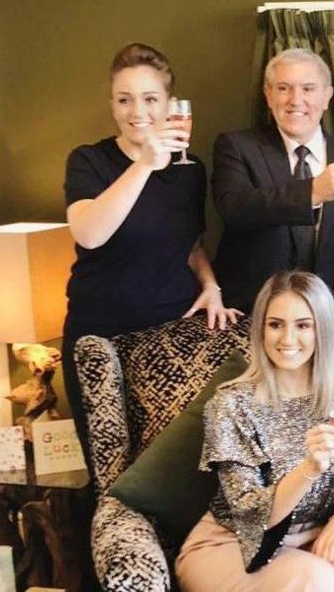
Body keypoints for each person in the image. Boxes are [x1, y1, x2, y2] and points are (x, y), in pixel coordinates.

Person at [176, 271, 334, 592]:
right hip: (233, 541)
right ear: (260, 329)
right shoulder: (231, 403)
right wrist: (309, 468)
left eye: (303, 325)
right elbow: (251, 516)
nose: (287, 339)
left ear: (322, 329)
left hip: (314, 532)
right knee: (316, 579)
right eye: (275, 324)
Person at [62, 42, 240, 450]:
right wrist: (144, 163)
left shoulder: (190, 169)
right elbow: (89, 233)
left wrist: (210, 285)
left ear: (170, 105)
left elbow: (190, 246)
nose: (136, 111)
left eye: (149, 99)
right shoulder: (88, 161)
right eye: (124, 99)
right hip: (99, 338)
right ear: (112, 105)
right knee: (107, 464)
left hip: (169, 335)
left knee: (166, 463)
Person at [211, 48, 334, 340]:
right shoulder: (237, 147)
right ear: (268, 95)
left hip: (329, 323)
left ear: (327, 96)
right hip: (250, 320)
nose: (296, 100)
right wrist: (314, 191)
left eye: (308, 89)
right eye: (284, 88)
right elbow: (235, 209)